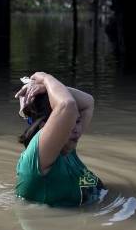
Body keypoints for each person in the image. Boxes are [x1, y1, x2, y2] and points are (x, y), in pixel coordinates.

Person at [14, 71, 103, 206]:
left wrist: (45, 88)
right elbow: (67, 105)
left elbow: (88, 102)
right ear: (45, 127)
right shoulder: (39, 158)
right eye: (69, 123)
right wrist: (44, 77)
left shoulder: (67, 147)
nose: (77, 130)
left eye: (77, 121)